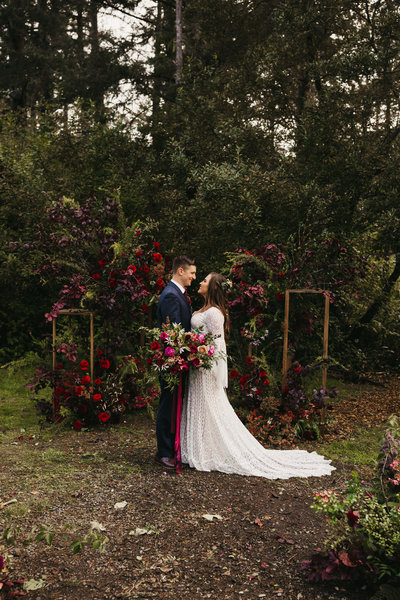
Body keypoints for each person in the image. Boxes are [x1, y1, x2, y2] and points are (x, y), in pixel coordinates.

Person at [180, 272, 335, 479]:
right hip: (196, 367)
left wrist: (200, 354)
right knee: (201, 405)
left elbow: (217, 345)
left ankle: (210, 450)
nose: (200, 282)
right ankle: (201, 447)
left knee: (210, 406)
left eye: (205, 280)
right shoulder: (203, 309)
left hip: (205, 369)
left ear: (214, 287)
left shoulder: (215, 313)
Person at [155, 255, 197, 469]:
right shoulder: (172, 295)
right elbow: (173, 332)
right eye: (191, 273)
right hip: (172, 360)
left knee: (173, 402)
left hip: (177, 359)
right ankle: (164, 451)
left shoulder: (177, 293)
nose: (194, 277)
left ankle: (172, 446)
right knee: (168, 403)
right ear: (180, 271)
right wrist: (177, 357)